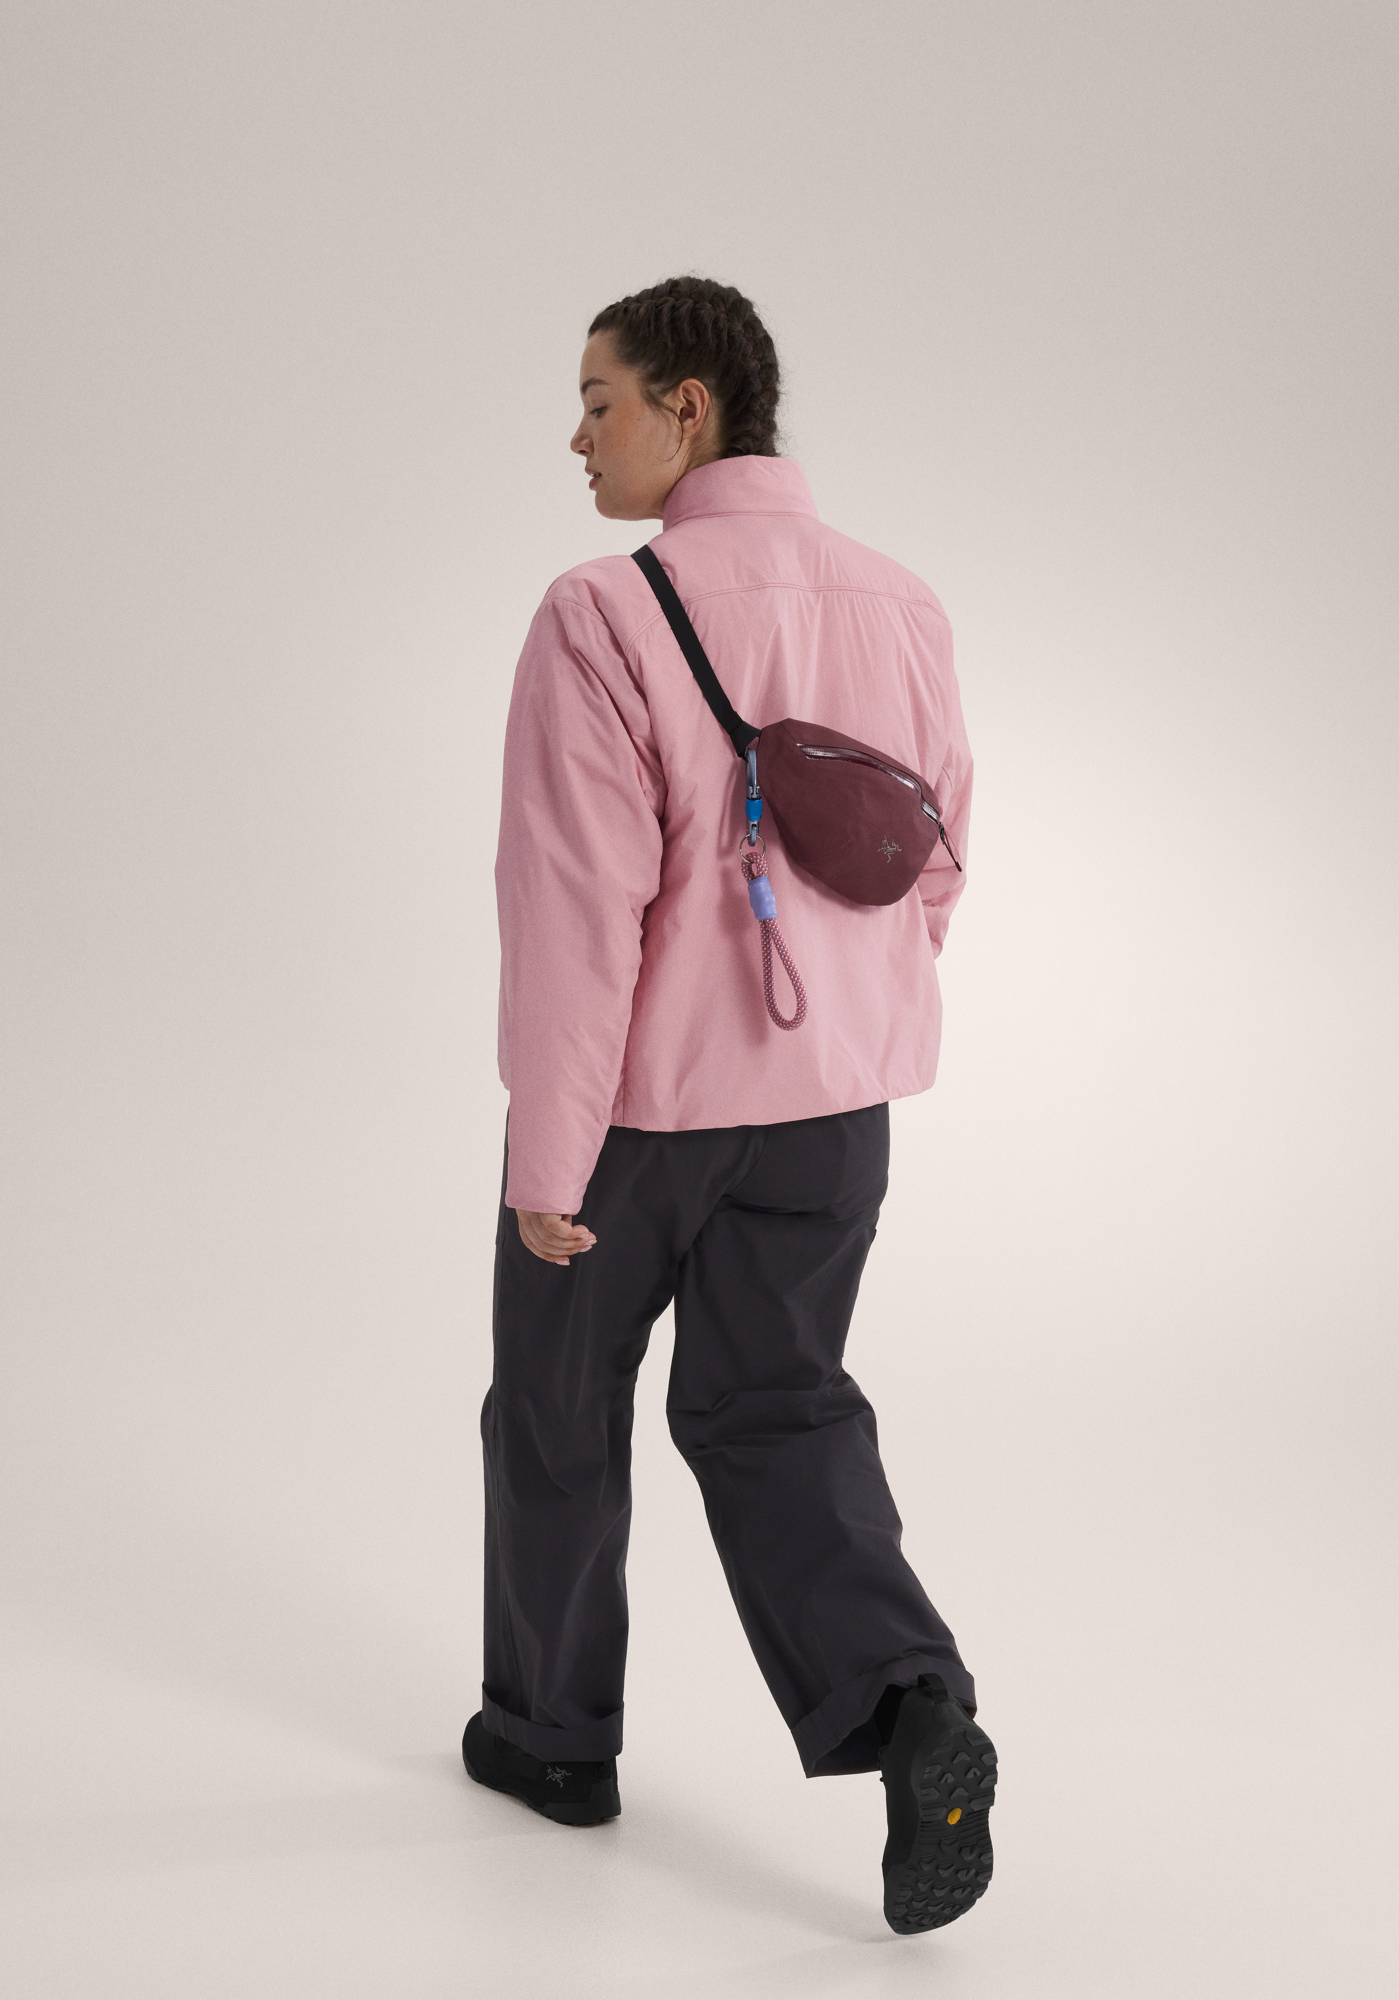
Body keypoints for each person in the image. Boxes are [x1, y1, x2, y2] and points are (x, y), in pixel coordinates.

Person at [461, 276, 996, 1935]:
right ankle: (913, 1705)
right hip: (834, 1111)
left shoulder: (601, 614)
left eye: (599, 401)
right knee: (781, 1409)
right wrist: (847, 1018)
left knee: (558, 1414)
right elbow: (937, 859)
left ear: (687, 405)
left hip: (637, 1117)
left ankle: (552, 1742)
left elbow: (577, 914)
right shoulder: (902, 601)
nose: (578, 437)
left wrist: (549, 1161)